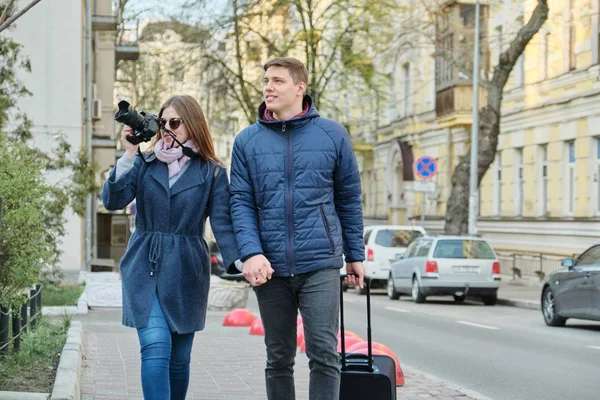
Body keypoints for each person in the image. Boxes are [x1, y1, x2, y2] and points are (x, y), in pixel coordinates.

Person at [229, 57, 366, 400]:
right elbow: (241, 203)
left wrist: (355, 255)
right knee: (278, 357)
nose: (268, 87)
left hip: (319, 260)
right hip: (269, 265)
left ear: (300, 88)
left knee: (323, 352)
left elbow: (348, 198)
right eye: (266, 81)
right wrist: (251, 252)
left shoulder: (332, 134)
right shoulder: (247, 141)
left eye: (277, 81)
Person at [101, 95, 240, 400]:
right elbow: (112, 201)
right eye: (163, 123)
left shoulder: (212, 172)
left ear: (192, 125)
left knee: (179, 360)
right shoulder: (144, 163)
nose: (167, 129)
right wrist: (129, 153)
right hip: (144, 265)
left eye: (174, 123)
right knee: (155, 347)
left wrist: (241, 262)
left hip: (187, 270)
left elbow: (222, 223)